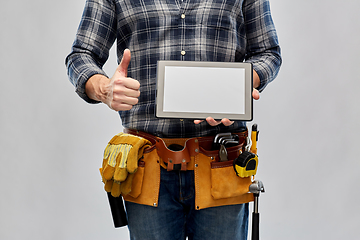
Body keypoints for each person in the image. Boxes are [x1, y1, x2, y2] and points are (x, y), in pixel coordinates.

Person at [66, 0, 281, 239]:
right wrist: (104, 87)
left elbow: (268, 53)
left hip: (221, 161)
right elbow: (81, 55)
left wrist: (238, 85)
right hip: (147, 166)